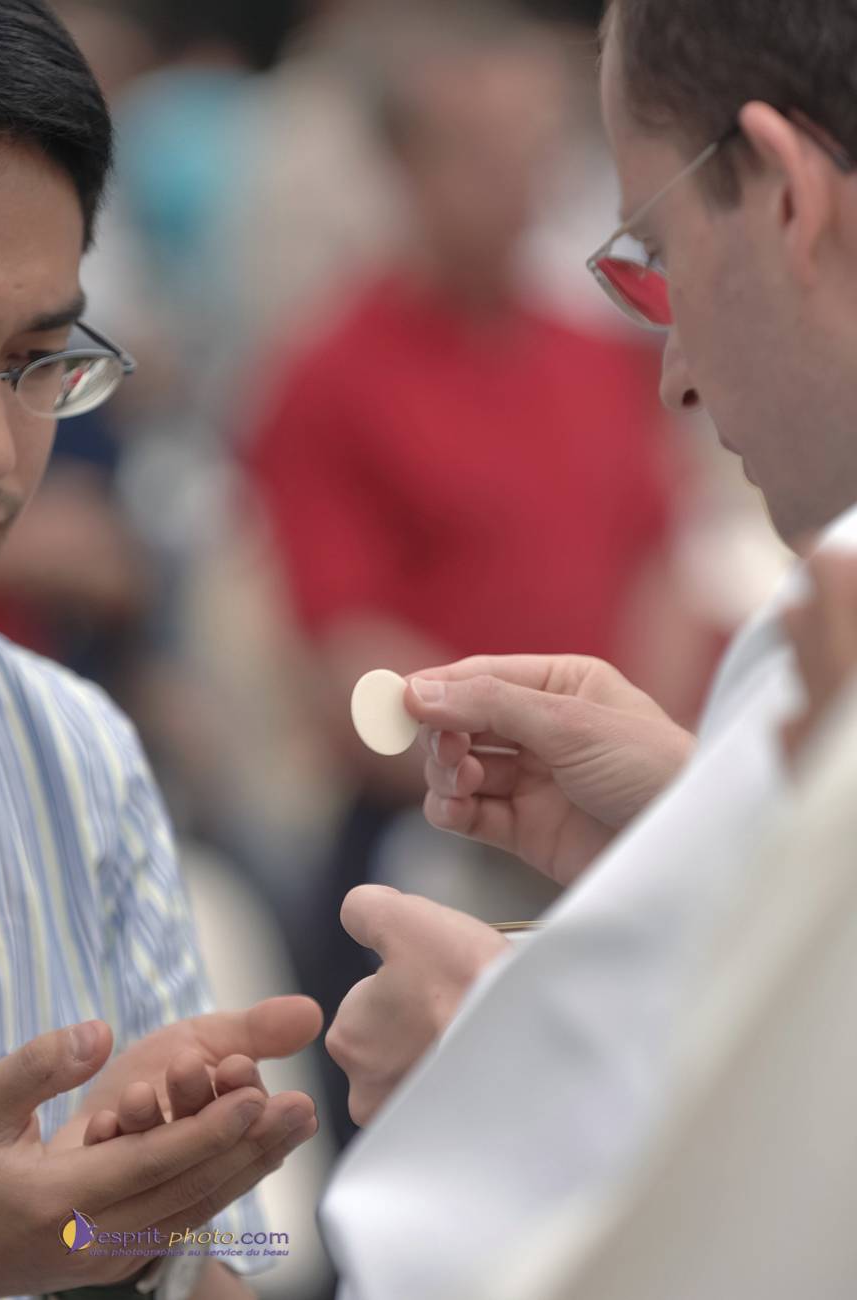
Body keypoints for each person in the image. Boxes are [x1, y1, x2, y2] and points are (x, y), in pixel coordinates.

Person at [313, 1, 857, 1297]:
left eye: (661, 247)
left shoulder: (824, 634)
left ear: (783, 196)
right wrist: (703, 814)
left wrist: (495, 1062)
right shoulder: (333, 371)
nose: (674, 371)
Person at [0, 5, 321, 1299]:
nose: (4, 454)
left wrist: (128, 1233)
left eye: (34, 363)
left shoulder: (76, 756)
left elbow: (193, 1272)